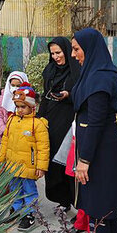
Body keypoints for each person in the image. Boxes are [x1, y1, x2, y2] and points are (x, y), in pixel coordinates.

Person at [71, 28, 117, 233]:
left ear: (89, 49)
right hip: (98, 149)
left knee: (100, 207)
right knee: (101, 207)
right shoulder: (93, 74)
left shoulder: (100, 78)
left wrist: (84, 161)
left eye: (76, 49)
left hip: (101, 152)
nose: (74, 55)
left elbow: (95, 122)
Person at [0, 83, 49, 231]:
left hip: (28, 166)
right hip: (12, 164)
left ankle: (30, 213)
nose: (19, 110)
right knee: (14, 188)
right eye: (17, 106)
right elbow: (5, 139)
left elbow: (43, 147)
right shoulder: (12, 120)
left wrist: (41, 167)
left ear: (32, 107)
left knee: (29, 190)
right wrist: (1, 158)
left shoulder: (38, 124)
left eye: (23, 107)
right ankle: (16, 208)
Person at [39, 37, 81, 212]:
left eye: (59, 52)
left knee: (67, 162)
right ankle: (62, 199)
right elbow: (44, 94)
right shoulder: (49, 70)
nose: (56, 57)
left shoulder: (76, 71)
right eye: (53, 53)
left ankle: (75, 201)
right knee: (52, 162)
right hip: (50, 119)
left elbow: (81, 94)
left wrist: (68, 95)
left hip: (68, 121)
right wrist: (39, 119)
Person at [0, 71, 29, 148]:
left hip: (22, 140)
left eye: (18, 85)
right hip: (4, 139)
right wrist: (4, 131)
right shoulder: (2, 98)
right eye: (12, 85)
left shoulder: (29, 99)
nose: (15, 88)